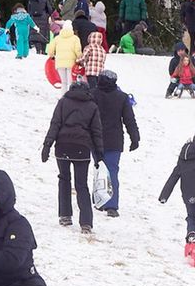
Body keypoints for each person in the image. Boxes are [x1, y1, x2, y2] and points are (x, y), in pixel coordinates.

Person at [41, 81, 104, 233]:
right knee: (81, 184)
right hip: (82, 148)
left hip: (63, 145)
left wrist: (47, 145)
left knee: (64, 179)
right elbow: (96, 131)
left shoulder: (63, 102)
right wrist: (99, 154)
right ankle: (86, 222)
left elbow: (55, 124)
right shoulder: (92, 106)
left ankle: (65, 215)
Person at [92, 70, 139, 219]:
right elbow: (129, 119)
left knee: (99, 169)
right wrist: (135, 138)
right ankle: (111, 205)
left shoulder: (92, 94)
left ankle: (99, 201)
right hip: (114, 140)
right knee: (112, 171)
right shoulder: (122, 97)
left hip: (95, 138)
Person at [46, 22, 81, 87]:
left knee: (63, 82)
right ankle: (70, 93)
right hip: (71, 63)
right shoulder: (75, 38)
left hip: (59, 63)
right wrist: (79, 58)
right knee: (70, 82)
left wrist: (52, 56)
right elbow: (78, 50)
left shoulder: (57, 38)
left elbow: (50, 49)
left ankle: (63, 93)